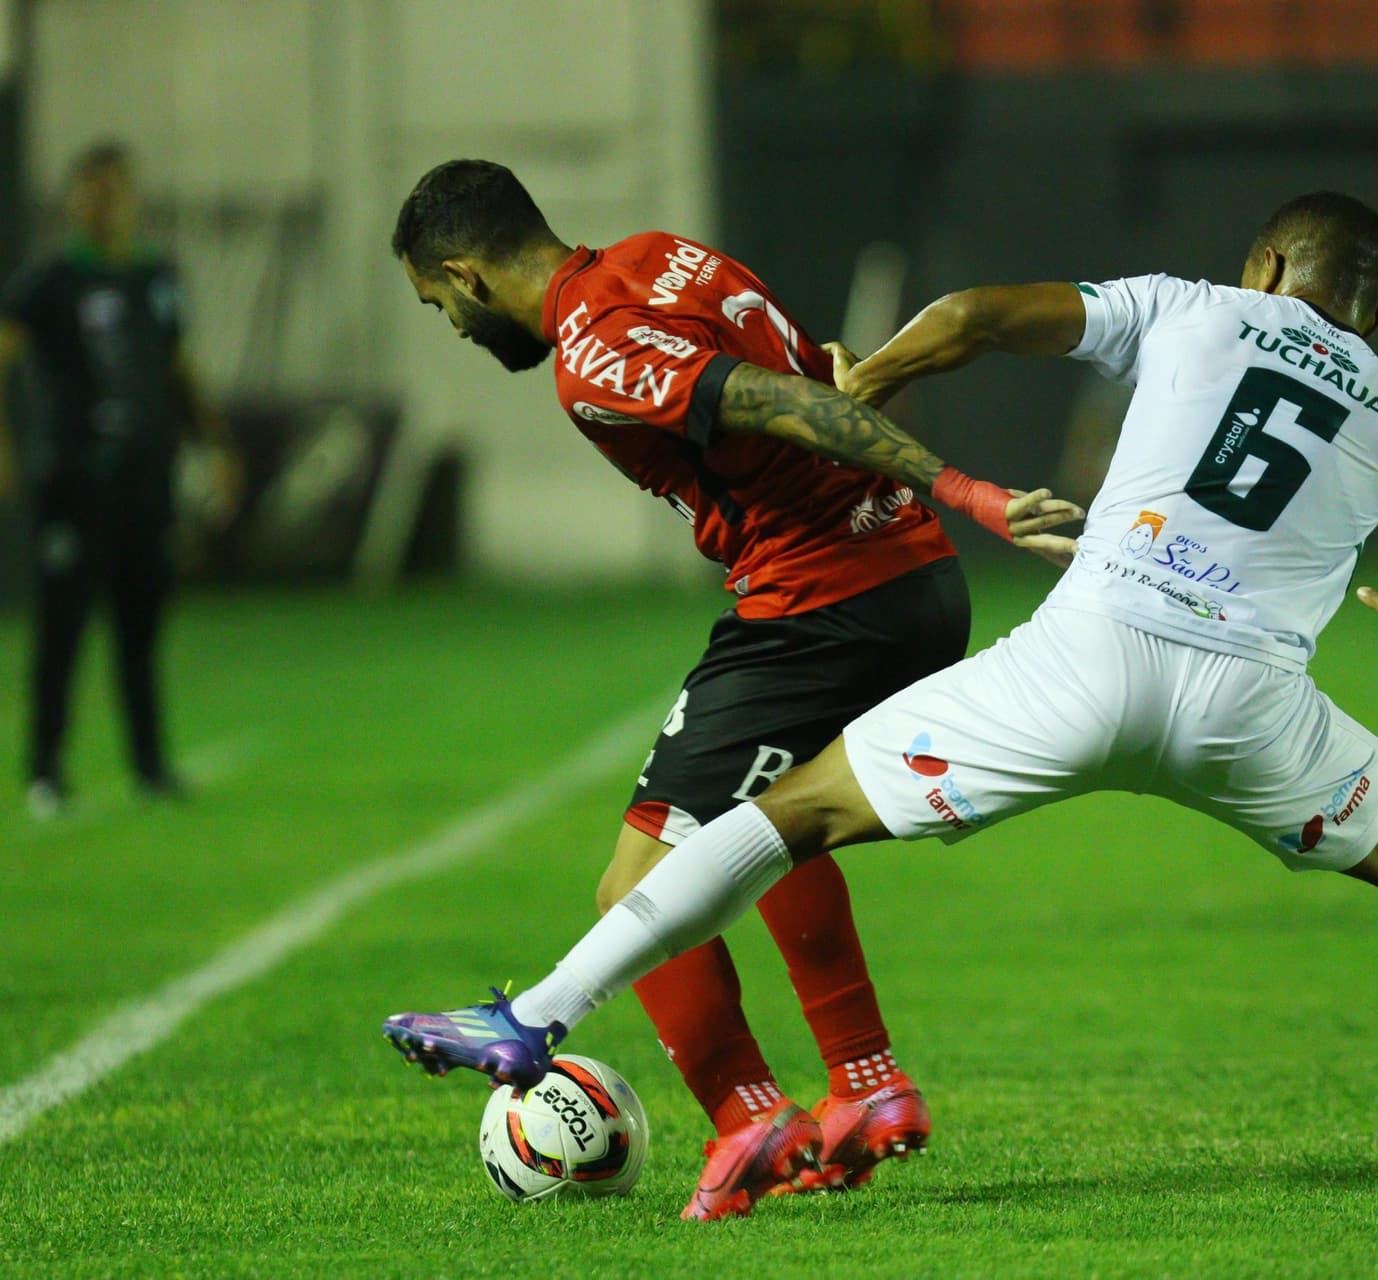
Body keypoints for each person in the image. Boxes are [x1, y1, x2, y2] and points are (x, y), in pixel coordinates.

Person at [384, 191, 1378, 1193]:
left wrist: (864, 381)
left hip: (1080, 659)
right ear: (1374, 310)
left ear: (1266, 264)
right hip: (1248, 708)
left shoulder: (1189, 308)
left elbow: (978, 314)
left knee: (791, 816)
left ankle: (539, 1010)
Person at [382, 160, 1079, 1220]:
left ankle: (747, 1117)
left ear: (468, 276)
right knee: (768, 827)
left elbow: (793, 399)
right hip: (910, 577)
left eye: (442, 309)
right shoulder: (663, 256)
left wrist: (971, 489)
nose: (458, 331)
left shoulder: (596, 350)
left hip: (821, 605)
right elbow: (825, 367)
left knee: (636, 888)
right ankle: (868, 1082)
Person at [0, 142, 235, 820]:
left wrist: (216, 442)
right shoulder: (47, 283)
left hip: (146, 478)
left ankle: (150, 767)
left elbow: (179, 366)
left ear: (131, 200)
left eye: (114, 192)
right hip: (74, 479)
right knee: (63, 629)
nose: (103, 206)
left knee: (141, 627)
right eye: (90, 192)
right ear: (73, 202)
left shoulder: (156, 278)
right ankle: (44, 771)